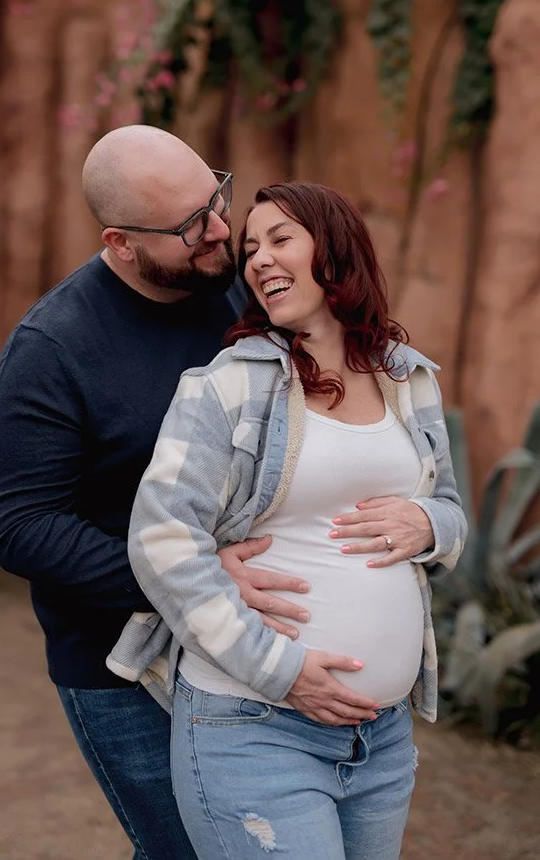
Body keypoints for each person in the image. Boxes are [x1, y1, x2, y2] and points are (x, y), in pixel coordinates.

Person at [0, 126, 318, 860]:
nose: (220, 230)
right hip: (120, 669)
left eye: (216, 199)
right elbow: (23, 529)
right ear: (120, 241)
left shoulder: (235, 286)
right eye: (190, 225)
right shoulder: (51, 349)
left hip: (248, 640)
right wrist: (190, 577)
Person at [108, 181, 468, 859]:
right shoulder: (227, 385)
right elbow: (161, 541)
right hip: (253, 726)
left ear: (335, 249)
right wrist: (283, 671)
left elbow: (448, 509)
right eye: (250, 248)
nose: (259, 260)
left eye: (280, 239)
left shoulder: (407, 378)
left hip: (381, 738)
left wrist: (428, 526)